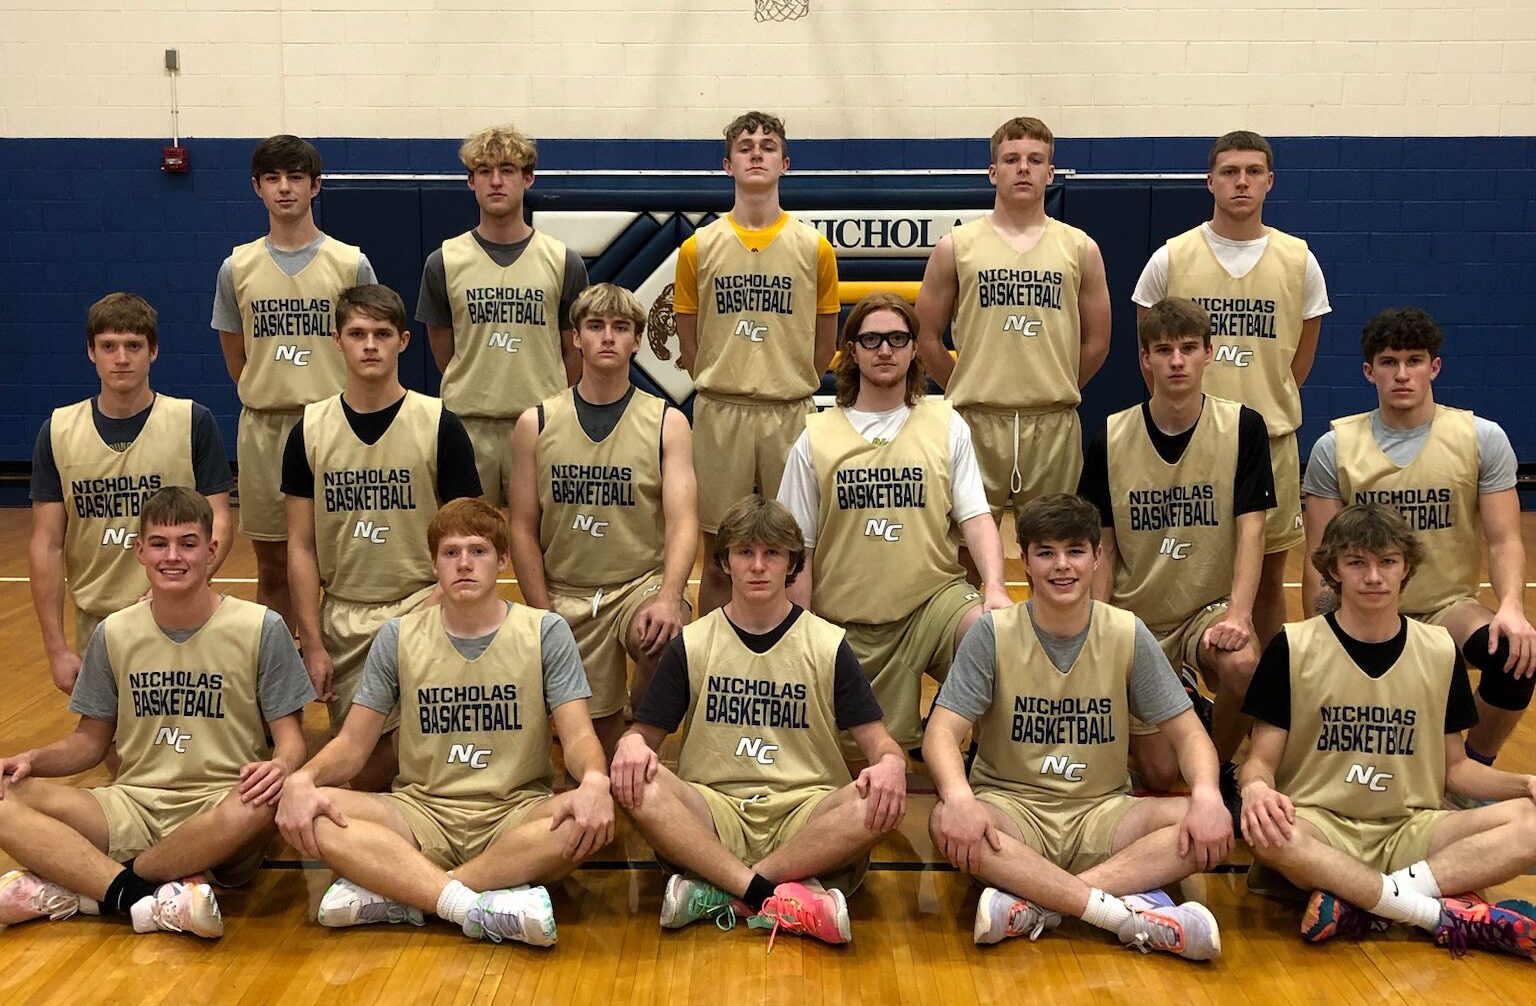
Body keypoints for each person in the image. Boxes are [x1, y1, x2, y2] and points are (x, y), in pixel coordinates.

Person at [276, 499, 611, 947]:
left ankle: (409, 892)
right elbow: (354, 745)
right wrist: (304, 778)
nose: (464, 564)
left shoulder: (545, 631)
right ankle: (479, 902)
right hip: (420, 811)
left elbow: (579, 735)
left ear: (503, 560)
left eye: (478, 551)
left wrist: (594, 779)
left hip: (514, 811)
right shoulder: (398, 635)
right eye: (451, 553)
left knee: (583, 822)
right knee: (314, 811)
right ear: (434, 564)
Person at [924, 493, 1229, 959]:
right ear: (1025, 561)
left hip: (1103, 814)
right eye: (1046, 552)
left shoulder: (1126, 631)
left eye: (1075, 551)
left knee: (1200, 820)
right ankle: (1121, 914)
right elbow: (941, 733)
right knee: (946, 820)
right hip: (1014, 812)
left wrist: (1207, 794)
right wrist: (961, 797)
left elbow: (1189, 734)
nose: (1062, 565)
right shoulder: (993, 632)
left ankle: (1038, 903)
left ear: (1097, 556)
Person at [0, 487, 313, 938]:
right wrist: (32, 760)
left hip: (219, 806)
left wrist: (280, 765)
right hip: (133, 804)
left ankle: (98, 886)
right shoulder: (113, 632)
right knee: (7, 795)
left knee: (265, 801)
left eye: (188, 543)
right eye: (160, 544)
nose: (173, 557)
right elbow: (89, 743)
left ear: (211, 550)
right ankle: (146, 895)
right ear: (140, 551)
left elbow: (292, 739)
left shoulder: (262, 627)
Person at [1241, 503, 1536, 957]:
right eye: (1357, 562)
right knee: (1271, 835)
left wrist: (1525, 783)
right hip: (1321, 826)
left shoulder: (1439, 650)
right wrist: (1256, 789)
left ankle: (1365, 902)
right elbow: (1260, 761)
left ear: (1406, 568)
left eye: (1387, 561)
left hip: (1409, 829)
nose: (1373, 576)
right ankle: (1431, 912)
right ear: (1334, 570)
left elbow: (1456, 770)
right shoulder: (1293, 646)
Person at [610, 496, 906, 947]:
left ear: (792, 564)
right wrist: (631, 744)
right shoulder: (693, 643)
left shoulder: (827, 644)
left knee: (879, 799)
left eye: (772, 553)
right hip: (715, 810)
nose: (758, 566)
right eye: (745, 552)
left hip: (806, 812)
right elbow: (642, 736)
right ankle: (784, 894)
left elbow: (880, 745)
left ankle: (727, 888)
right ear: (725, 561)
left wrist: (891, 764)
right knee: (635, 783)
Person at [777, 292, 1009, 757]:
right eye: (872, 340)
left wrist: (997, 589)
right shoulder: (815, 436)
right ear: (852, 350)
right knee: (855, 758)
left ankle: (975, 752)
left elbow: (976, 517)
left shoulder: (946, 424)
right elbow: (798, 550)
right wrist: (799, 629)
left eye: (897, 339)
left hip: (930, 606)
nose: (885, 350)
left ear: (914, 348)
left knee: (993, 631)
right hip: (845, 620)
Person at [1303, 307, 1535, 768]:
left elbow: (1505, 540)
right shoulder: (1334, 448)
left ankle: (1471, 769)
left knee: (1515, 655)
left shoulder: (1481, 439)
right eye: (1389, 362)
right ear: (1369, 371)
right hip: (1365, 608)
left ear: (1435, 367)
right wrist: (1321, 629)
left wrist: (1512, 606)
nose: (1402, 374)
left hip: (1448, 607)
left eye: (1414, 360)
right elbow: (1319, 558)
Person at [1132, 130, 1331, 646]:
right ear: (1210, 182)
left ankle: (1265, 688)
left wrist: (1263, 404)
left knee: (1267, 579)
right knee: (1181, 567)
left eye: (1252, 171)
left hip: (1271, 440)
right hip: (1191, 442)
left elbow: (1299, 360)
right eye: (1229, 172)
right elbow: (1149, 353)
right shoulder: (1170, 258)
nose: (1241, 181)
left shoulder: (1299, 260)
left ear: (1270, 181)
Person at [283, 284, 481, 790]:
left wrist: (438, 605)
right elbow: (301, 546)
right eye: (357, 334)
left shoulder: (440, 424)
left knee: (433, 761)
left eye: (382, 334)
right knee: (365, 773)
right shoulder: (308, 429)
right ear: (337, 340)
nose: (370, 345)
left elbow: (472, 536)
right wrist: (312, 641)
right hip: (346, 617)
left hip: (425, 606)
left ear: (403, 341)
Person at [1079, 297, 1272, 801]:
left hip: (1205, 612)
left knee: (1244, 665)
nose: (1177, 361)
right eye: (1164, 350)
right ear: (1145, 359)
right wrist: (1099, 622)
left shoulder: (1243, 427)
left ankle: (1219, 765)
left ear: (1210, 352)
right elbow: (1103, 547)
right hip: (1137, 615)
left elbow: (1252, 532)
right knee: (1161, 776)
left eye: (1188, 348)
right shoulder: (1109, 436)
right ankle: (1183, 702)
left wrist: (1240, 614)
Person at [915, 115, 1111, 578]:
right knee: (965, 552)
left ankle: (1048, 628)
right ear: (993, 172)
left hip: (1052, 420)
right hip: (976, 419)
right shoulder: (956, 246)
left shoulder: (1080, 248)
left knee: (1056, 550)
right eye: (1011, 159)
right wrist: (965, 384)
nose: (1023, 168)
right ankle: (971, 626)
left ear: (1050, 172)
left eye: (1035, 160)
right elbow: (926, 337)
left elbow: (1098, 341)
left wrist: (1057, 383)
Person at [508, 284, 696, 756]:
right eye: (595, 326)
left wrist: (669, 597)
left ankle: (643, 725)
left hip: (637, 586)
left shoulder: (667, 422)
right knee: (595, 755)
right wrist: (541, 613)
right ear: (576, 337)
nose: (608, 337)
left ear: (637, 340)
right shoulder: (536, 423)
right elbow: (522, 528)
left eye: (620, 327)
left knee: (664, 638)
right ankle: (611, 726)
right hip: (566, 591)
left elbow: (683, 523)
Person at [673, 110, 841, 616]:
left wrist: (789, 379)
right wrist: (725, 376)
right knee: (719, 556)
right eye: (745, 147)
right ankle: (712, 654)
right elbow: (689, 342)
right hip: (721, 411)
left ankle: (791, 653)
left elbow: (824, 341)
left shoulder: (814, 248)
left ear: (785, 163)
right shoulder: (697, 248)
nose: (756, 154)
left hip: (788, 409)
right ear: (727, 165)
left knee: (793, 552)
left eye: (768, 146)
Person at [31, 292, 233, 695]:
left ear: (153, 351)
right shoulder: (58, 430)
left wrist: (175, 586)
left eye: (133, 346)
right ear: (91, 352)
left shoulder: (192, 421)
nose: (121, 358)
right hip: (97, 623)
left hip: (181, 615)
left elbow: (221, 521)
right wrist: (56, 648)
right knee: (108, 735)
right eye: (108, 346)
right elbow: (47, 544)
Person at [212, 135, 377, 628]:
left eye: (296, 177)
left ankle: (335, 654)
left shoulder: (350, 263)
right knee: (273, 563)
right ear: (257, 187)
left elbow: (372, 345)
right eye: (273, 178)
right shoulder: (236, 267)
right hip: (265, 429)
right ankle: (280, 662)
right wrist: (273, 387)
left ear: (315, 186)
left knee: (343, 558)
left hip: (334, 428)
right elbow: (237, 358)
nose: (284, 188)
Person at [416, 123, 589, 506]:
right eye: (485, 171)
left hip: (540, 423)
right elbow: (445, 352)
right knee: (467, 534)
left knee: (540, 535)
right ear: (471, 181)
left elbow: (574, 350)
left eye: (507, 170)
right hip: (467, 425)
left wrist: (545, 399)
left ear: (528, 179)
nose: (496, 181)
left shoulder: (563, 261)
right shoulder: (443, 261)